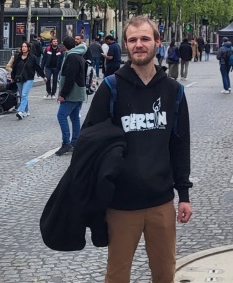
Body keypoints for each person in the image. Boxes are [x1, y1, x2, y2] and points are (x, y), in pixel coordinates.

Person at [81, 16, 191, 283]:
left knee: (165, 274)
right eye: (133, 40)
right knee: (117, 275)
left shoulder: (173, 90)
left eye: (145, 38)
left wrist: (184, 194)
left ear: (157, 42)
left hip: (161, 201)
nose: (139, 44)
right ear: (126, 46)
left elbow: (180, 144)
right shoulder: (110, 88)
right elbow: (87, 142)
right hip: (120, 204)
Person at [55, 36, 87, 156]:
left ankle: (66, 143)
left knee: (61, 115)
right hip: (79, 91)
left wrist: (63, 94)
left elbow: (70, 77)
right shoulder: (78, 55)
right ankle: (75, 142)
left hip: (73, 93)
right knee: (74, 117)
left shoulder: (72, 56)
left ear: (64, 46)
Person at [9, 42, 44, 119]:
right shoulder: (17, 57)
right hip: (19, 78)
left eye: (25, 46)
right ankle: (26, 111)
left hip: (29, 78)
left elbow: (37, 67)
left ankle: (20, 111)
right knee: (22, 95)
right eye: (22, 46)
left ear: (29, 48)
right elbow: (14, 68)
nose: (23, 48)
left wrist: (43, 76)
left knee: (24, 94)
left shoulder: (32, 57)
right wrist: (12, 77)